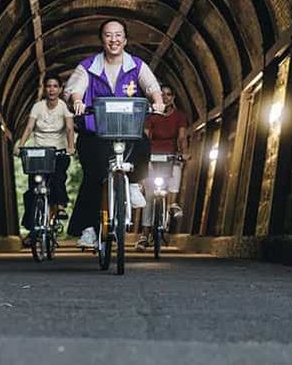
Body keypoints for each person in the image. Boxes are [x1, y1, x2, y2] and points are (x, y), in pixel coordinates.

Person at [63, 19, 164, 248]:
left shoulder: (136, 66)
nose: (114, 40)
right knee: (93, 176)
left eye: (118, 35)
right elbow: (74, 88)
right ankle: (89, 229)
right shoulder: (88, 66)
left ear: (125, 39)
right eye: (108, 35)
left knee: (143, 145)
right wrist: (78, 101)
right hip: (96, 134)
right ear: (102, 39)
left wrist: (157, 102)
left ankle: (134, 183)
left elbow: (151, 87)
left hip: (128, 131)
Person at [14, 72, 75, 247]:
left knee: (57, 179)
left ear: (60, 89)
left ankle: (59, 207)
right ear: (44, 88)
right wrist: (21, 144)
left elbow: (70, 129)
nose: (52, 89)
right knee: (33, 189)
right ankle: (32, 228)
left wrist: (70, 147)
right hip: (39, 152)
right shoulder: (38, 107)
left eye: (55, 86)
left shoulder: (64, 107)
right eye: (49, 86)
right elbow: (29, 127)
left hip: (58, 151)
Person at [136, 83, 189, 251]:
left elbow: (181, 137)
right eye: (162, 94)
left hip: (170, 155)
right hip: (152, 155)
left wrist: (184, 152)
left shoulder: (180, 116)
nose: (165, 98)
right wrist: (142, 155)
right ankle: (144, 235)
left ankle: (173, 204)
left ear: (173, 98)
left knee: (177, 168)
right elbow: (146, 136)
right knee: (150, 194)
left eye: (168, 94)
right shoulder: (151, 116)